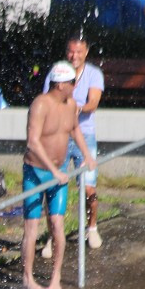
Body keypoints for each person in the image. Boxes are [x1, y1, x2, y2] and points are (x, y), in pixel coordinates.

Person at [21, 62, 96, 289]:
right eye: (73, 83)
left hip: (60, 171)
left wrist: (86, 155)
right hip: (36, 173)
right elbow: (32, 141)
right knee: (32, 228)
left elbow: (74, 130)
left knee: (57, 225)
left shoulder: (71, 104)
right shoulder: (40, 104)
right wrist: (52, 172)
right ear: (61, 84)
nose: (75, 87)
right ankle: (27, 279)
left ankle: (56, 278)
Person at [41, 34, 105, 253]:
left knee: (88, 187)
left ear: (86, 52)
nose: (74, 56)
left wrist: (76, 108)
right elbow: (46, 100)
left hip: (84, 135)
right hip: (59, 136)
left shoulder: (94, 74)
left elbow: (93, 102)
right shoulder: (56, 73)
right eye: (70, 51)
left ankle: (92, 227)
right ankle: (52, 235)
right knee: (53, 187)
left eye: (79, 51)